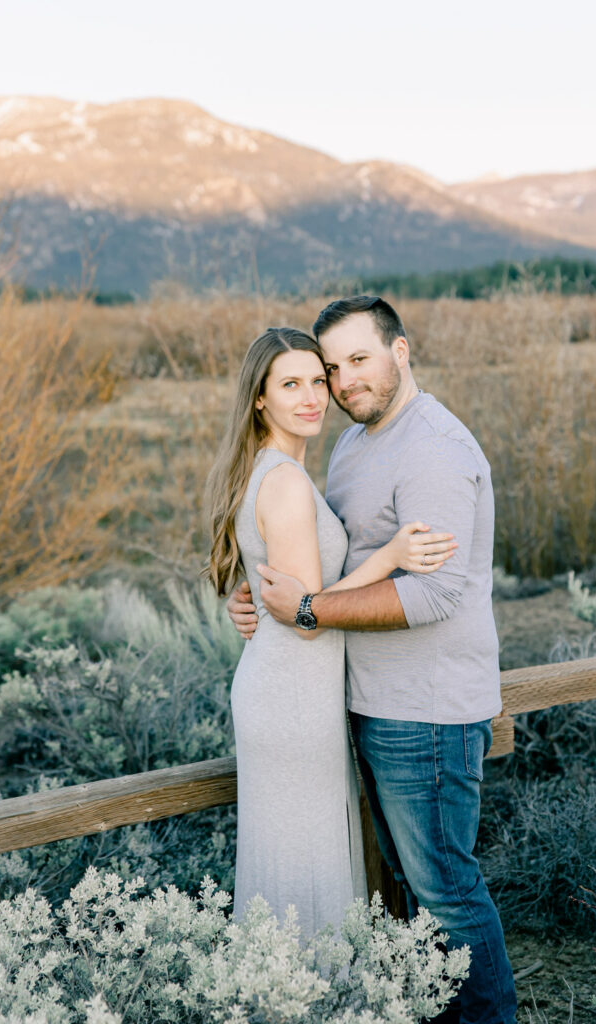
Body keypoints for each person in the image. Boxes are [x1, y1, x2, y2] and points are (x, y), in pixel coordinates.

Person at [227, 298, 518, 1024]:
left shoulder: (434, 449)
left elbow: (435, 594)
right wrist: (262, 596)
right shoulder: (354, 444)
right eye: (329, 369)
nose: (340, 382)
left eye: (357, 361)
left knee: (446, 893)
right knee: (412, 898)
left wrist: (302, 610)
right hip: (361, 702)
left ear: (401, 352)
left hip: (425, 712)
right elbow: (322, 562)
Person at [206, 325, 457, 939]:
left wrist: (262, 607)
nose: (313, 396)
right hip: (291, 694)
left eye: (318, 381)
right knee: (302, 868)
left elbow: (291, 597)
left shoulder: (270, 470)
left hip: (290, 688)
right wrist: (392, 553)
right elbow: (309, 615)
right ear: (259, 397)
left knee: (299, 862)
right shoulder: (286, 481)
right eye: (291, 384)